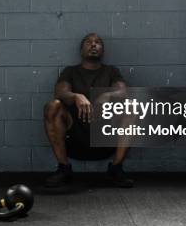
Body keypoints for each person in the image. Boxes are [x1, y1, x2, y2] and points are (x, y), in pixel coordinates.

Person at [43, 32, 134, 188]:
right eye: (88, 42)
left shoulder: (111, 71)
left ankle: (116, 168)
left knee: (132, 106)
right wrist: (77, 96)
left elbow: (123, 92)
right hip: (75, 137)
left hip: (105, 137)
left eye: (98, 42)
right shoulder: (70, 71)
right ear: (81, 50)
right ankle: (64, 168)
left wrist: (107, 95)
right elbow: (60, 92)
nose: (93, 44)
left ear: (102, 50)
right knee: (53, 106)